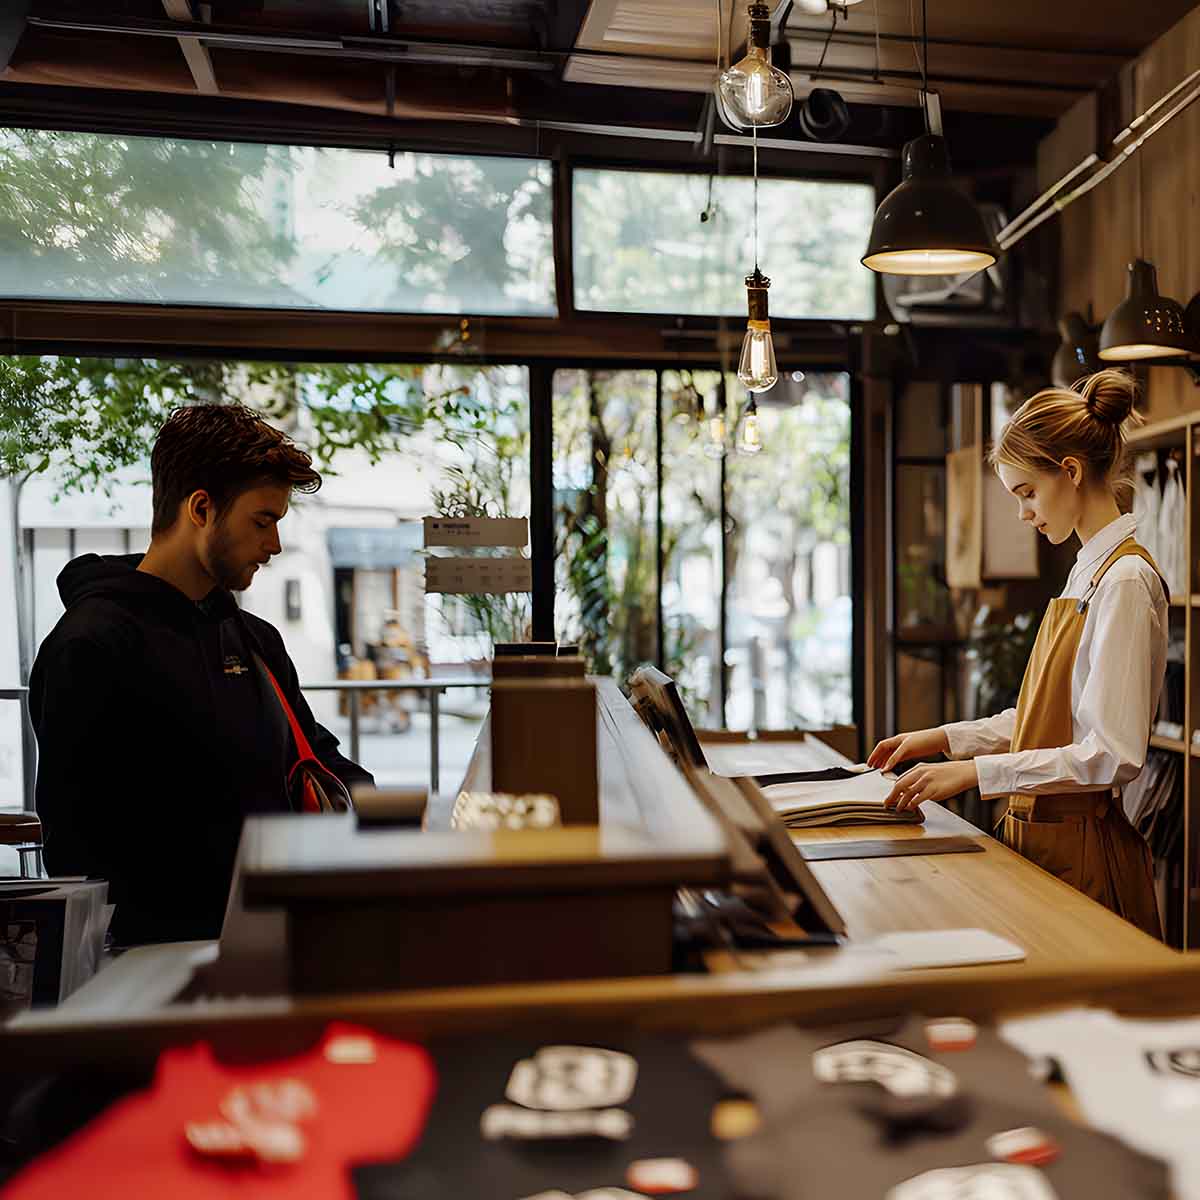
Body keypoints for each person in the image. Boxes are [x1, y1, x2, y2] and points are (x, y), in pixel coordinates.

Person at [29, 404, 374, 945]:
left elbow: (314, 752)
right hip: (148, 968)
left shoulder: (254, 639)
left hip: (270, 946)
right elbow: (76, 852)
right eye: (263, 521)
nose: (275, 544)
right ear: (201, 508)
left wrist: (383, 814)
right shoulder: (91, 645)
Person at [868, 369, 1167, 936]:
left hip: (1087, 855)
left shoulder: (1124, 580)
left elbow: (1109, 755)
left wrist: (973, 773)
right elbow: (1048, 723)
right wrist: (944, 740)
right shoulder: (1088, 571)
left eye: (1027, 493)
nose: (1024, 513)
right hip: (1050, 840)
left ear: (1071, 472)